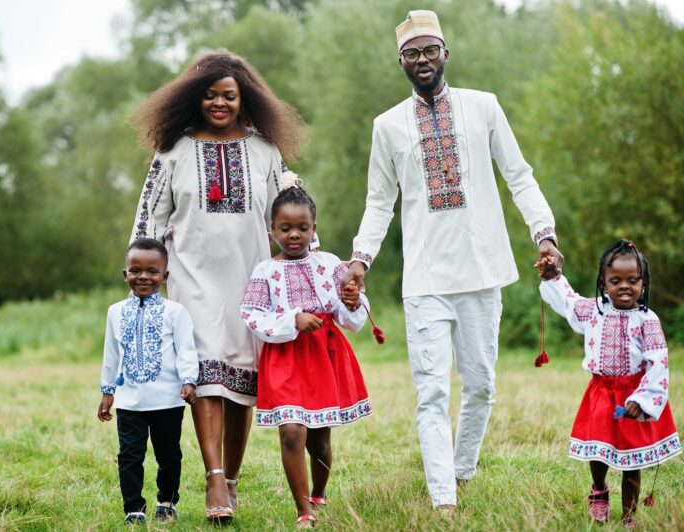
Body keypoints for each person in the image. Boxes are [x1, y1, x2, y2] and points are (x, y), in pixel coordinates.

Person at [341, 9, 565, 511]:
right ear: (400, 62)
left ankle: (461, 470)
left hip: (482, 271)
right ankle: (444, 499)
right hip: (424, 280)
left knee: (481, 386)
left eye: (430, 50)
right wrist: (361, 259)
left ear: (446, 54)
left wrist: (544, 235)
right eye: (412, 54)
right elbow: (380, 201)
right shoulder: (388, 126)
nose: (422, 60)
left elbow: (519, 175)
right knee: (430, 394)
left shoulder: (483, 107)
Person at [129, 50, 304, 523]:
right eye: (209, 95)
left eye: (229, 95)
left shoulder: (267, 151)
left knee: (241, 385)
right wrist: (141, 272)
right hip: (191, 279)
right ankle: (212, 477)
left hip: (253, 284)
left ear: (245, 98)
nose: (219, 103)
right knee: (205, 376)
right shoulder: (173, 152)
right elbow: (149, 221)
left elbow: (293, 214)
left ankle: (231, 480)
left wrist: (307, 272)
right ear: (193, 98)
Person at [240, 174, 372, 528]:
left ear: (314, 228)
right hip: (284, 359)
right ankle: (304, 509)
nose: (294, 235)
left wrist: (353, 300)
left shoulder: (331, 264)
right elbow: (251, 315)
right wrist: (291, 320)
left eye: (301, 227)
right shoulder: (265, 271)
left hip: (323, 357)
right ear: (272, 231)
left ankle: (319, 490)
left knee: (319, 438)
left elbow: (352, 315)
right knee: (292, 432)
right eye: (285, 228)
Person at [536, 240, 680, 527]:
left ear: (643, 282)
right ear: (603, 283)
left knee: (632, 462)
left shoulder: (647, 320)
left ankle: (629, 517)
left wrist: (643, 400)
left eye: (632, 280)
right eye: (615, 281)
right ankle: (599, 490)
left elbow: (658, 362)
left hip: (634, 396)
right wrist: (553, 275)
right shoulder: (595, 311)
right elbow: (568, 301)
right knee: (599, 450)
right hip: (602, 394)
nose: (624, 286)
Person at [97, 238, 199, 525]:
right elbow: (111, 354)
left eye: (153, 271)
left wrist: (189, 381)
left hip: (167, 401)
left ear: (165, 276)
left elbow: (186, 350)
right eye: (136, 270)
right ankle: (134, 509)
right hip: (130, 402)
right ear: (125, 273)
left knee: (169, 456)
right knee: (129, 456)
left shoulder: (174, 312)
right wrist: (107, 392)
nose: (144, 276)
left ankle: (166, 502)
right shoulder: (115, 312)